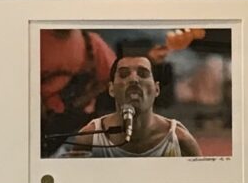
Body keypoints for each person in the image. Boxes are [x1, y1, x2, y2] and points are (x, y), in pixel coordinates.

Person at [58, 48, 202, 159]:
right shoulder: (89, 139)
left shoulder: (179, 140)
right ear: (111, 89)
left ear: (156, 89)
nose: (133, 79)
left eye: (143, 74)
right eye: (124, 74)